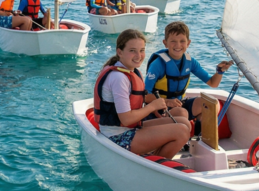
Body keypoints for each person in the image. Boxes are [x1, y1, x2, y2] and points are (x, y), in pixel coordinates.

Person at [92, 29, 193, 159]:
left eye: (142, 50)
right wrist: (152, 107)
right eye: (132, 50)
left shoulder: (131, 71)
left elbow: (137, 97)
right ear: (119, 52)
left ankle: (154, 157)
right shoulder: (118, 78)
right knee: (182, 131)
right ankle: (154, 166)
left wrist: (163, 103)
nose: (138, 55)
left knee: (185, 123)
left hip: (130, 129)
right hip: (117, 137)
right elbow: (126, 119)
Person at [143, 22, 234, 127]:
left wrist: (219, 71)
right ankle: (183, 136)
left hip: (179, 104)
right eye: (173, 41)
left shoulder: (190, 62)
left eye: (182, 41)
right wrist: (167, 102)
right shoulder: (158, 64)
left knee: (211, 104)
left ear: (188, 43)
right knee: (182, 113)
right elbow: (145, 97)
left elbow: (213, 83)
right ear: (165, 43)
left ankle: (198, 136)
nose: (178, 45)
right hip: (159, 109)